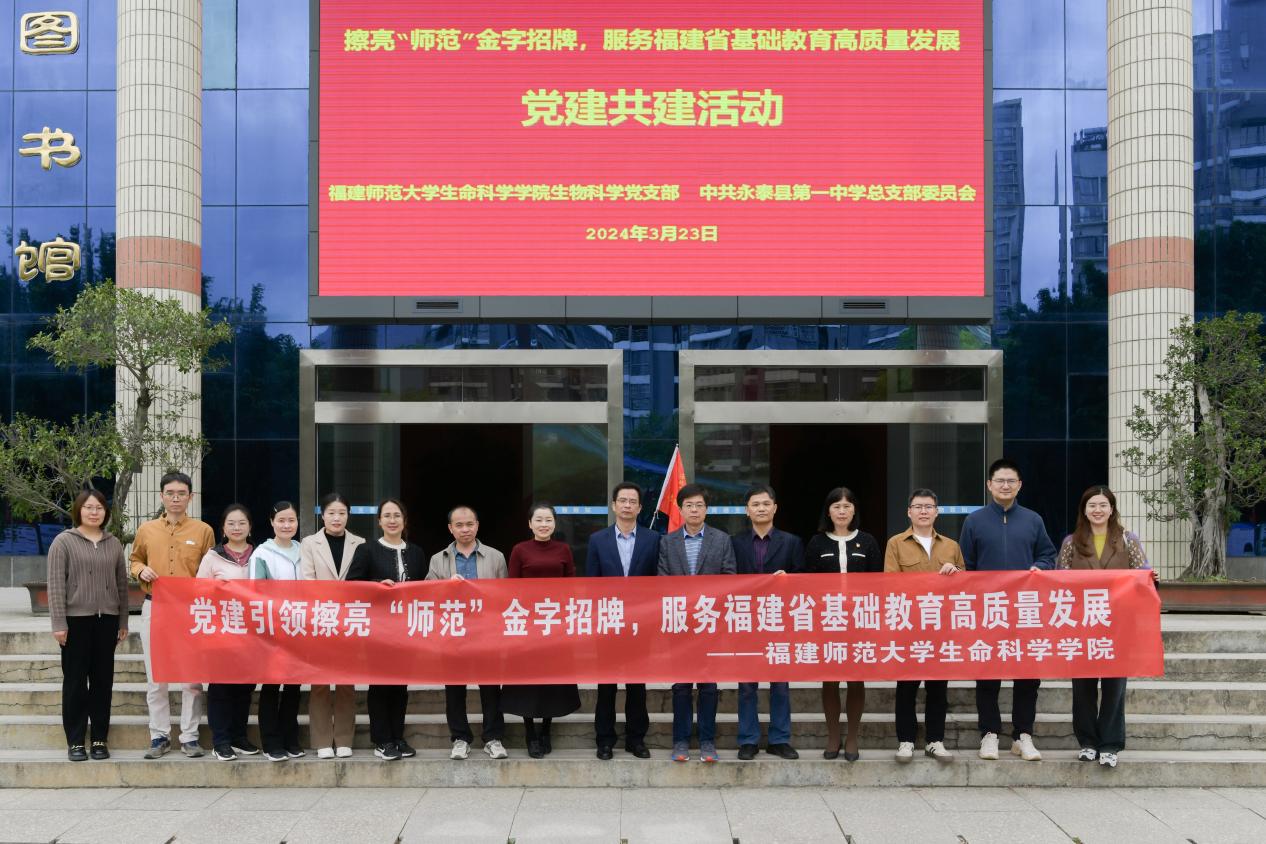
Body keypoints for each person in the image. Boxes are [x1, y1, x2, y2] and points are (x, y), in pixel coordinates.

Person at [959, 458, 1057, 762]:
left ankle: (1022, 735)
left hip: (1026, 610)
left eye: (1010, 481)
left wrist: (1038, 567)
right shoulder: (974, 521)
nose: (1005, 485)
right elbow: (966, 565)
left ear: (1019, 485)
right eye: (999, 481)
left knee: (1027, 674)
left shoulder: (1033, 520)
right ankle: (989, 733)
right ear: (989, 485)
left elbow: (1048, 555)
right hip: (988, 611)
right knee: (987, 673)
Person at [1058, 485, 1154, 769]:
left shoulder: (1127, 539)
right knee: (1083, 686)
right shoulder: (1071, 542)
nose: (1097, 510)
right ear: (1084, 510)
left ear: (1112, 509)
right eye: (1092, 505)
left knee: (1114, 685)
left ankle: (1110, 744)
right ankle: (1087, 742)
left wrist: (1150, 577)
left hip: (1118, 625)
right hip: (1082, 625)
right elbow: (1060, 579)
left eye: (1103, 505)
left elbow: (1142, 573)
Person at [130, 471, 215, 759]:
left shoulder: (203, 531)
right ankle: (159, 736)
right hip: (156, 606)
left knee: (192, 678)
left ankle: (190, 737)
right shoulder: (147, 530)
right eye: (170, 493)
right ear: (162, 496)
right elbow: (135, 559)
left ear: (190, 497)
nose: (175, 498)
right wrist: (140, 570)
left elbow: (210, 569)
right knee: (157, 677)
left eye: (181, 493)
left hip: (191, 610)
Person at [883, 489, 965, 763]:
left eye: (929, 507)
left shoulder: (951, 546)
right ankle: (906, 741)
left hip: (941, 627)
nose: (923, 511)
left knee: (938, 687)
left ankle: (935, 741)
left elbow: (966, 583)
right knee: (906, 686)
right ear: (909, 512)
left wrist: (955, 573)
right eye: (918, 506)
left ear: (937, 512)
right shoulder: (896, 543)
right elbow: (891, 582)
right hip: (909, 626)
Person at [48, 489, 129, 762]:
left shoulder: (113, 543)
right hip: (75, 622)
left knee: (102, 682)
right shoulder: (63, 542)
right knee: (75, 682)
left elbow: (121, 586)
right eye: (88, 507)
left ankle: (99, 739)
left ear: (106, 512)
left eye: (99, 508)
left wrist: (123, 620)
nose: (94, 512)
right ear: (79, 510)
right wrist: (59, 623)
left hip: (107, 621)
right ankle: (75, 741)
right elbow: (56, 585)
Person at [658, 484, 736, 763]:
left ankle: (706, 742)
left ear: (706, 509)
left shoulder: (721, 540)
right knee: (681, 684)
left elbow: (729, 577)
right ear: (680, 509)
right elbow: (662, 580)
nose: (694, 510)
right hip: (680, 621)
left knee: (708, 684)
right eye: (689, 505)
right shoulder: (667, 542)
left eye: (699, 505)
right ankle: (680, 741)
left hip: (709, 621)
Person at [802, 486, 882, 761]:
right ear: (828, 511)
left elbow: (878, 583)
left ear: (854, 510)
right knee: (830, 679)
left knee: (856, 679)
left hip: (860, 619)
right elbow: (807, 584)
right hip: (828, 620)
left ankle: (852, 738)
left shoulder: (868, 542)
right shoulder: (817, 543)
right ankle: (833, 736)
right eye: (837, 506)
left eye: (847, 506)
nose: (842, 511)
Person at [346, 498, 428, 761]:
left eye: (397, 515)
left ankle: (397, 737)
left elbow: (425, 589)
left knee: (400, 686)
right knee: (380, 685)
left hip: (406, 629)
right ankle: (382, 740)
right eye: (387, 516)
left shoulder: (416, 552)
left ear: (404, 520)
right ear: (379, 521)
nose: (392, 520)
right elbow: (352, 585)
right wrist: (376, 585)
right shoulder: (367, 550)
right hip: (378, 630)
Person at [427, 505, 510, 761]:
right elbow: (428, 594)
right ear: (450, 528)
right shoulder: (438, 559)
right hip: (453, 632)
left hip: (486, 632)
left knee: (490, 688)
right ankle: (460, 738)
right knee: (454, 689)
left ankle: (493, 738)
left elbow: (506, 595)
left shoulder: (495, 557)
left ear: (477, 525)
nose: (465, 529)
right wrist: (446, 587)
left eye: (469, 524)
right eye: (459, 525)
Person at [585, 482, 660, 761]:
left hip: (641, 624)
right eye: (623, 500)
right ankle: (604, 740)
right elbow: (591, 584)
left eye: (633, 501)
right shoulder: (598, 540)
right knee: (606, 685)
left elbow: (658, 582)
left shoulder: (653, 539)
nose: (627, 505)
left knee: (637, 685)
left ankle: (636, 739)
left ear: (640, 508)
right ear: (614, 505)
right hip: (608, 621)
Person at [731, 484, 804, 761]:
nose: (761, 509)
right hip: (745, 620)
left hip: (779, 620)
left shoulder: (792, 542)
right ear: (747, 511)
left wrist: (790, 580)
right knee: (747, 685)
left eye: (765, 504)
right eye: (755, 504)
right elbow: (727, 579)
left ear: (775, 508)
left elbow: (804, 580)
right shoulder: (735, 542)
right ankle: (748, 740)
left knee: (780, 684)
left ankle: (779, 739)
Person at [503, 503, 581, 758]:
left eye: (548, 520)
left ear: (554, 523)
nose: (543, 524)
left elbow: (571, 586)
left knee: (552, 679)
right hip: (527, 624)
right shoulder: (520, 550)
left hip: (555, 623)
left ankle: (546, 729)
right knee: (527, 679)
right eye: (539, 520)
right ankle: (530, 733)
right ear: (530, 524)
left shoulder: (564, 549)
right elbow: (512, 588)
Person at [300, 492, 365, 760]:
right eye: (331, 513)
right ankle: (322, 740)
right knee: (320, 683)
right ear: (322, 515)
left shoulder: (360, 543)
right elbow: (307, 581)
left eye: (341, 513)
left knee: (347, 682)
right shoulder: (309, 543)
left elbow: (363, 582)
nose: (336, 518)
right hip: (321, 618)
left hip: (350, 619)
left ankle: (345, 739)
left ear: (348, 515)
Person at [197, 503, 260, 761]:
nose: (236, 528)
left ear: (250, 527)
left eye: (242, 523)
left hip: (252, 632)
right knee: (221, 686)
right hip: (221, 631)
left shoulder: (259, 554)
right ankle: (221, 740)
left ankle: (238, 737)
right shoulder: (212, 557)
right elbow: (198, 591)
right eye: (231, 523)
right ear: (223, 528)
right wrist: (215, 588)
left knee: (244, 687)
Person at [251, 501, 305, 762]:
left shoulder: (303, 550)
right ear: (272, 522)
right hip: (272, 629)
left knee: (294, 686)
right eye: (281, 520)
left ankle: (290, 739)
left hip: (300, 628)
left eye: (291, 520)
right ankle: (271, 742)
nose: (286, 525)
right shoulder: (262, 553)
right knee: (272, 686)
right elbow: (255, 593)